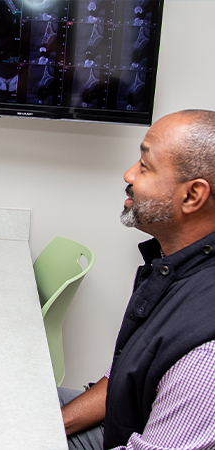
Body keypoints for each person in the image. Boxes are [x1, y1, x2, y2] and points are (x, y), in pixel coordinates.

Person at [59, 110, 215, 449]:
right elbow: (126, 378)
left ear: (192, 196)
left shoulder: (207, 355)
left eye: (144, 166)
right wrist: (50, 426)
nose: (129, 174)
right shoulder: (176, 268)